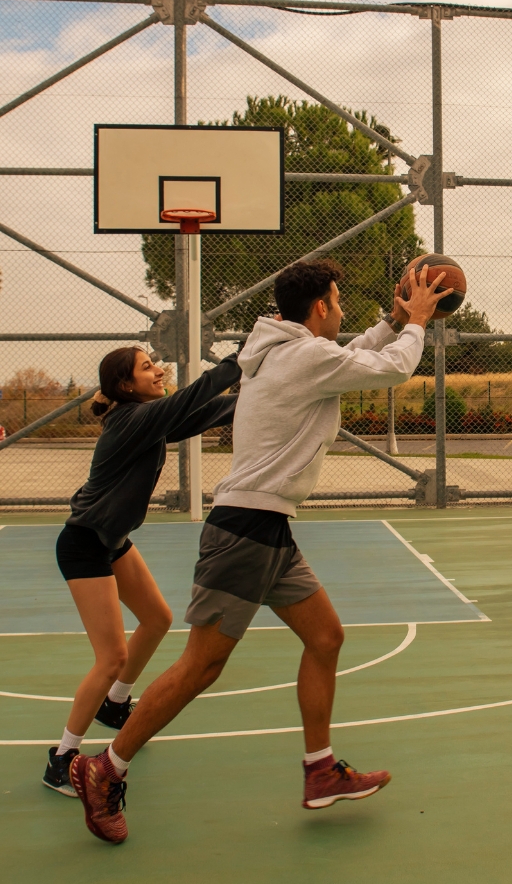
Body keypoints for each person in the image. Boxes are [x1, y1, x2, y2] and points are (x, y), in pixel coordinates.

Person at [70, 258, 450, 844]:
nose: (342, 309)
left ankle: (320, 770)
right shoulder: (304, 357)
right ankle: (105, 767)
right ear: (320, 307)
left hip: (269, 528)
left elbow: (353, 353)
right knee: (202, 665)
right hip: (245, 530)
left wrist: (392, 320)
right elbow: (388, 369)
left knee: (326, 637)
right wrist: (417, 323)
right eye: (338, 300)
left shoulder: (291, 350)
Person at [43, 347, 240, 797]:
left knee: (157, 619)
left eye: (156, 364)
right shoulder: (131, 420)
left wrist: (269, 393)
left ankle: (115, 706)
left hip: (111, 542)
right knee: (110, 657)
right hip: (85, 545)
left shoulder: (148, 418)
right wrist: (240, 359)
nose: (159, 370)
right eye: (147, 367)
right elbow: (194, 398)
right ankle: (62, 758)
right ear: (126, 386)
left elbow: (208, 412)